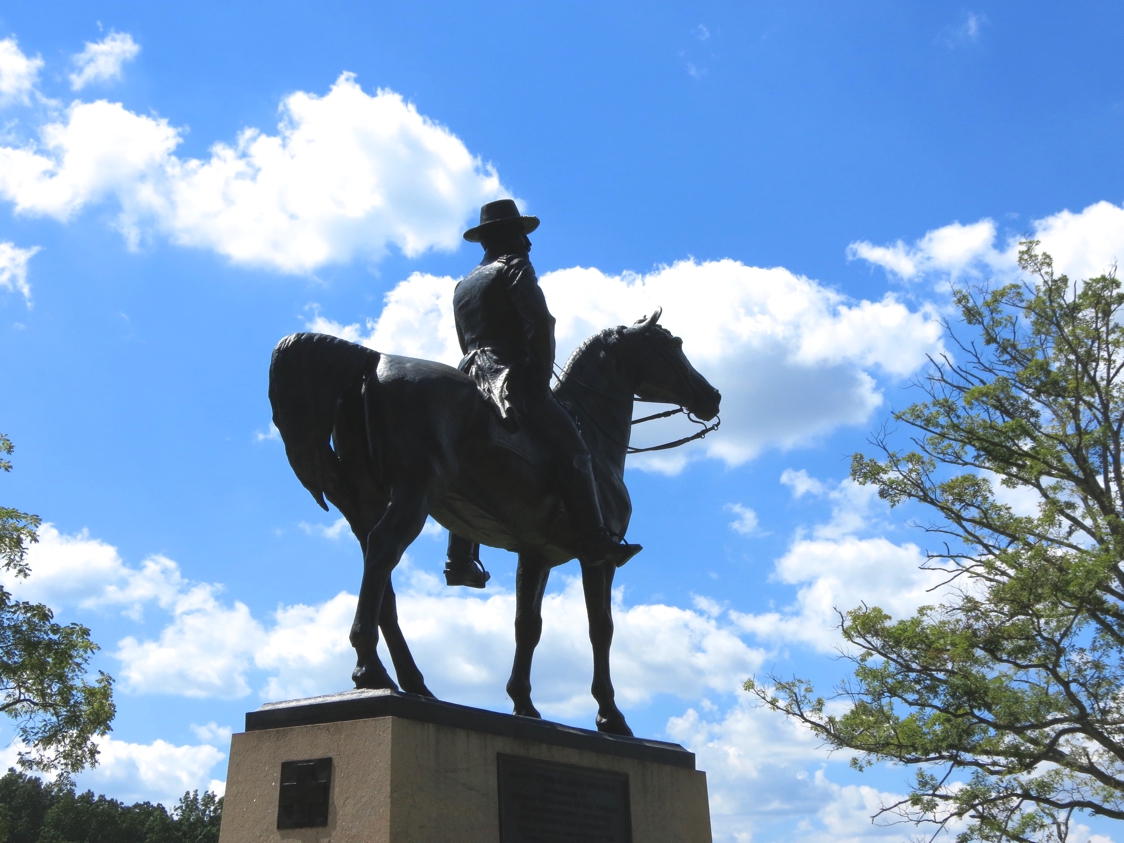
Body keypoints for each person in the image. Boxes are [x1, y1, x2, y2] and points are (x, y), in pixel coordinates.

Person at [443, 199, 641, 588]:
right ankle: (596, 538)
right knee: (576, 452)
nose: (527, 243)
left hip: (470, 374)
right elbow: (540, 322)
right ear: (506, 235)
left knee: (460, 454)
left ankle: (459, 559)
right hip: (512, 375)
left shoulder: (463, 285)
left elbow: (465, 339)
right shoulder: (514, 266)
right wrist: (535, 377)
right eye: (521, 233)